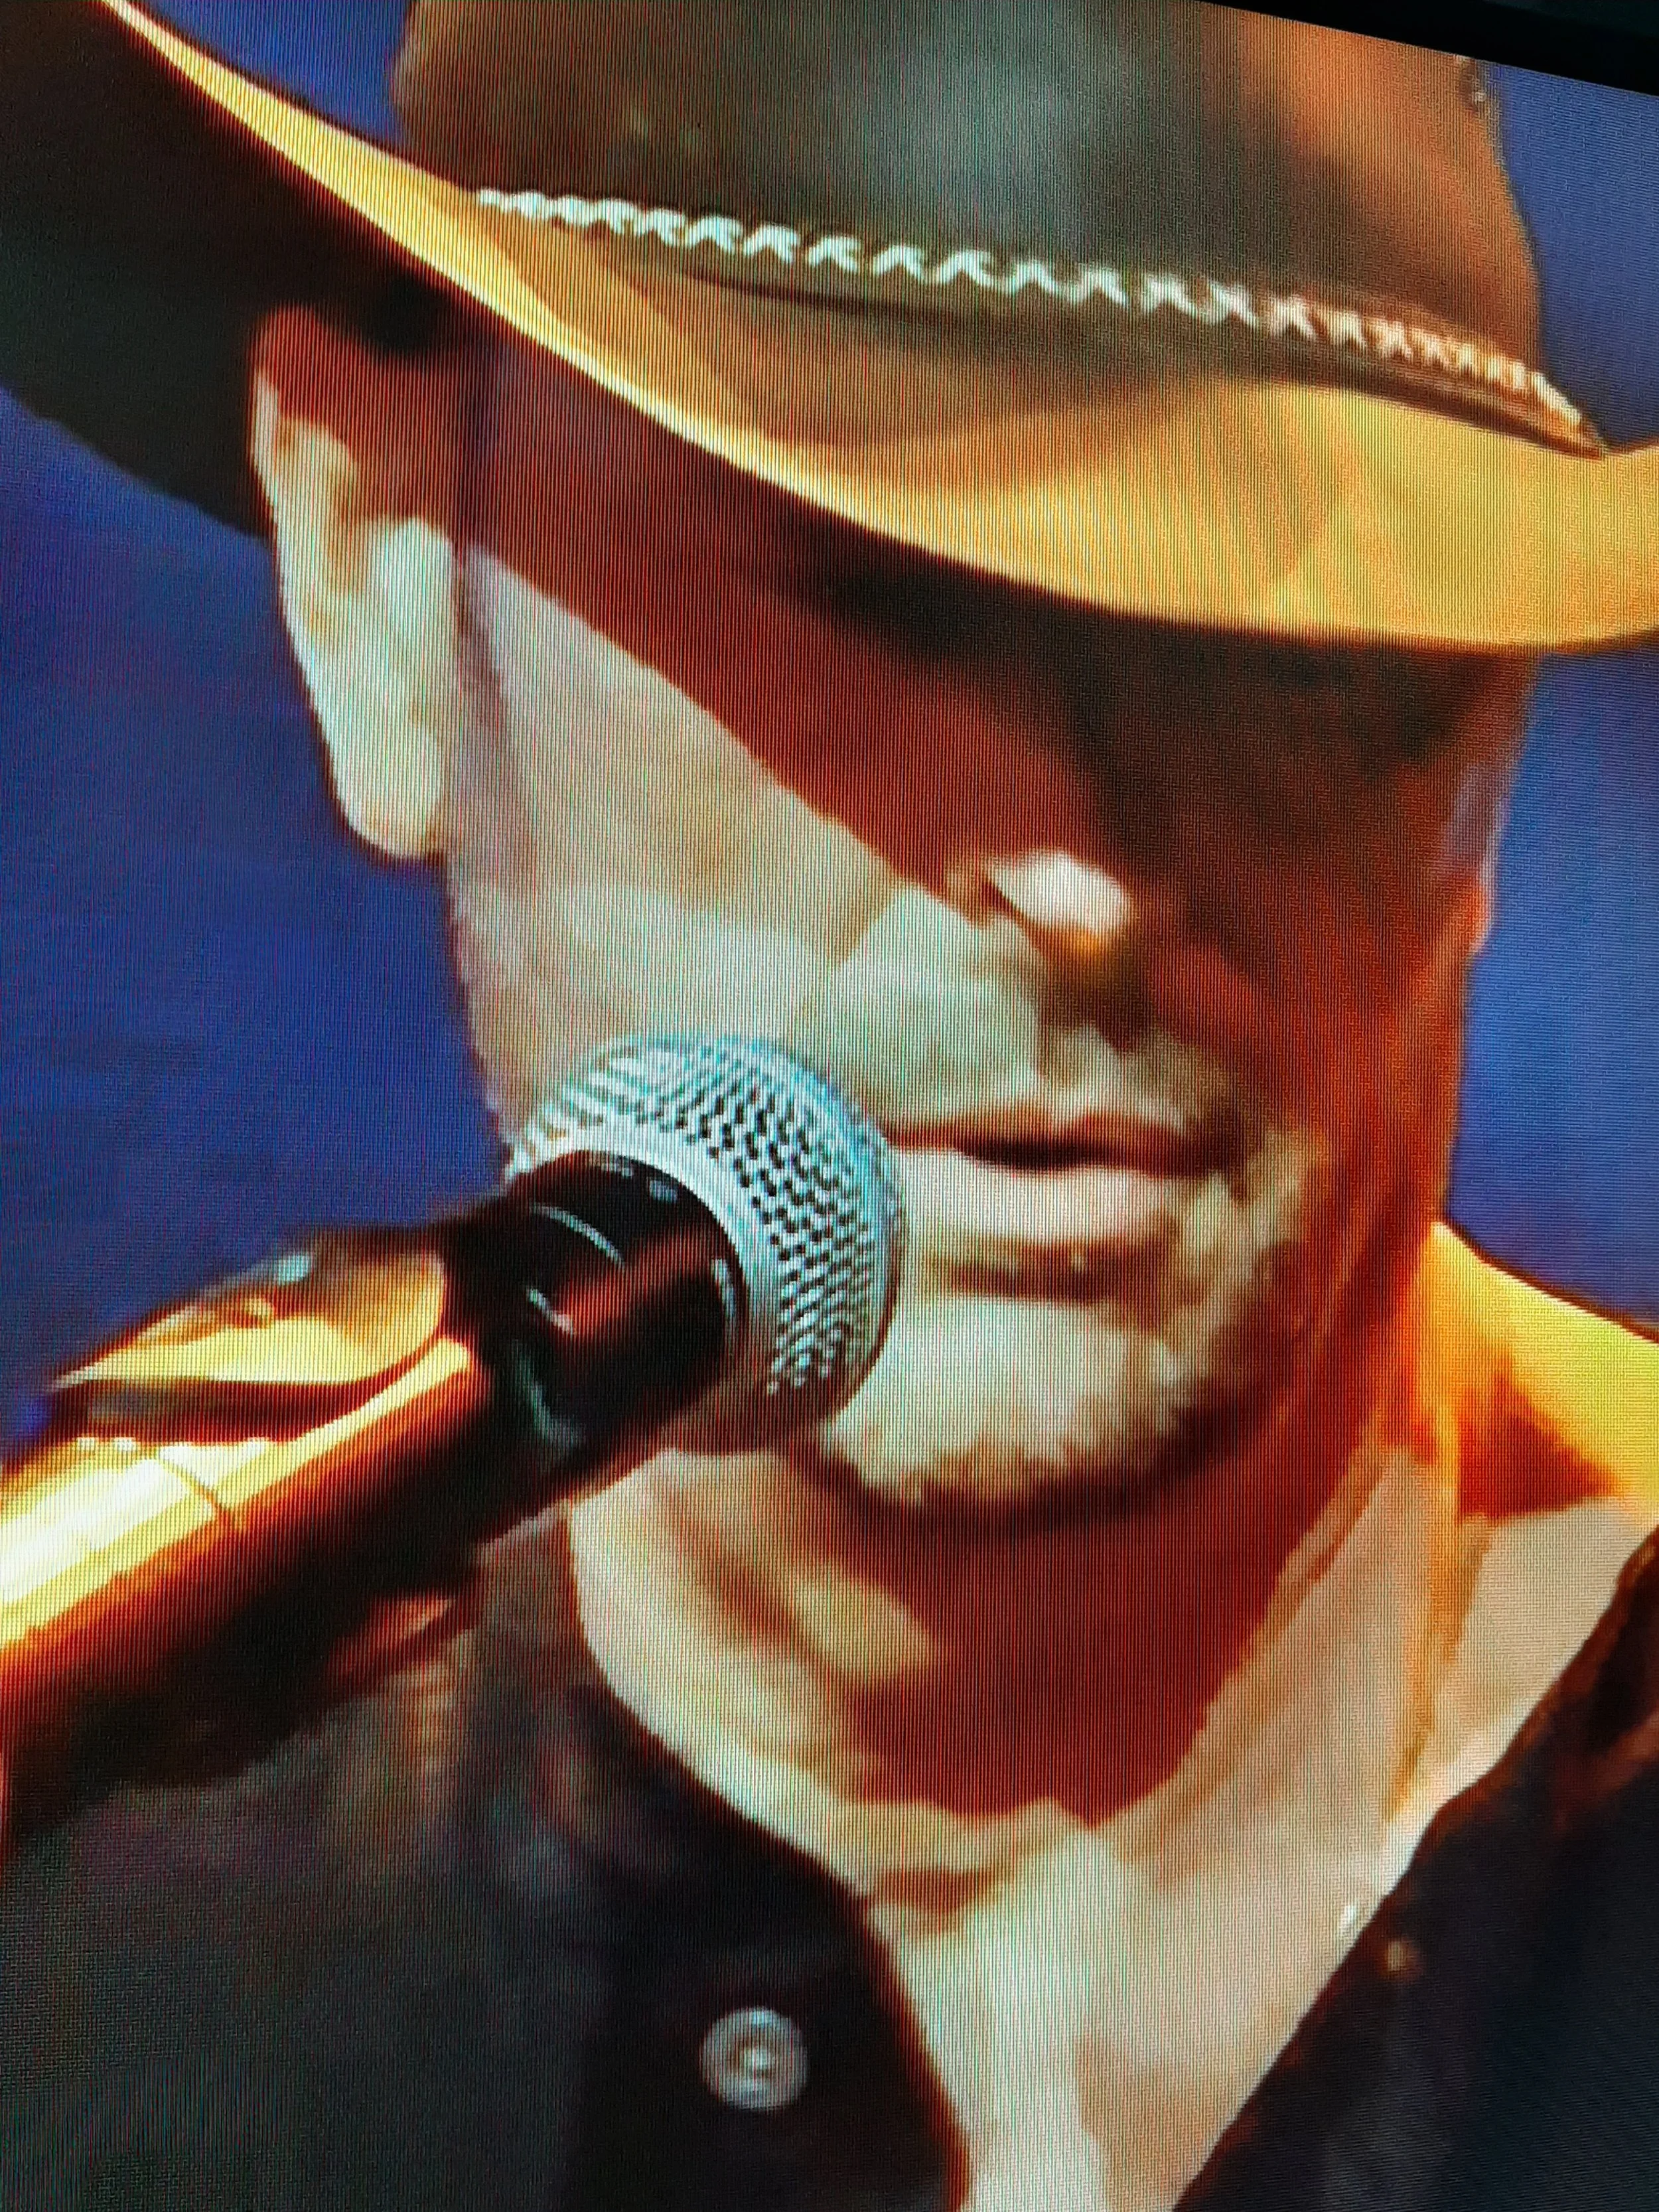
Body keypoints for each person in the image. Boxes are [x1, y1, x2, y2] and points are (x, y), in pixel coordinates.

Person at [2, 4, 1659, 2209]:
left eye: (1282, 653)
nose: (1073, 883)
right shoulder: (100, 1971)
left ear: (1479, 760)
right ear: (380, 574)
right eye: (878, 596)